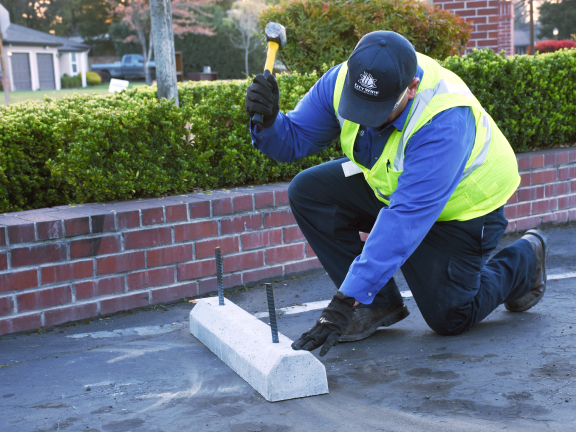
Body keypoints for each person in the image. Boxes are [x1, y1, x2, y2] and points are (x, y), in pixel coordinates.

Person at [244, 31, 548, 357]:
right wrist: (271, 121)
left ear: (411, 88)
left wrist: (345, 300)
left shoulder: (443, 121)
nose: (364, 120)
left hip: (464, 211)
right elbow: (293, 140)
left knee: (450, 317)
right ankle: (377, 306)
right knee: (309, 191)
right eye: (357, 107)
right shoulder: (345, 79)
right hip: (395, 188)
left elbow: (404, 220)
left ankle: (526, 260)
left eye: (375, 112)